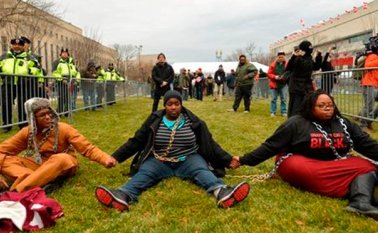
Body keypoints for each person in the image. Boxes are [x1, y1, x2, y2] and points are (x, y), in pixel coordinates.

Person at [231, 89, 378, 219]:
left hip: (335, 164)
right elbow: (270, 146)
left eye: (330, 105)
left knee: (367, 165)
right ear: (310, 107)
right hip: (304, 163)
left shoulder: (344, 123)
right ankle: (351, 186)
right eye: (321, 106)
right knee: (297, 166)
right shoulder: (295, 123)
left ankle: (361, 202)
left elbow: (366, 144)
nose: (327, 109)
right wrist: (243, 160)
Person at [95, 90, 250, 212]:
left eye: (177, 103)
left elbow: (210, 143)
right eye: (170, 104)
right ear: (165, 105)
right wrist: (115, 157)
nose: (173, 107)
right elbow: (136, 140)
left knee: (202, 171)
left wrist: (228, 160)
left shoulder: (193, 121)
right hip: (158, 159)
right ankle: (123, 195)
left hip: (189, 158)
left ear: (181, 105)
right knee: (144, 173)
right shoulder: (154, 120)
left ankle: (221, 193)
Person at [0, 97, 116, 193]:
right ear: (33, 119)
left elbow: (87, 148)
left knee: (61, 158)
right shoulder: (28, 132)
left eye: (49, 113)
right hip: (40, 163)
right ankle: (40, 180)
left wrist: (105, 158)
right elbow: (2, 150)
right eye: (42, 115)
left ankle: (16, 192)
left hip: (63, 163)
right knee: (6, 159)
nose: (48, 117)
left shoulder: (63, 128)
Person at [0, 37, 42, 132]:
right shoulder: (4, 56)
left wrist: (29, 71)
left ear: (23, 46)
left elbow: (37, 68)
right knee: (6, 104)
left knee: (23, 104)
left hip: (23, 83)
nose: (17, 46)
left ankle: (22, 124)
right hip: (8, 83)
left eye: (19, 45)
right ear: (11, 45)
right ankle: (6, 125)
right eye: (14, 44)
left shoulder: (29, 57)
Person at [286, 40, 321, 117]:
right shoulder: (297, 57)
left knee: (307, 105)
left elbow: (316, 67)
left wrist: (318, 56)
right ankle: (294, 123)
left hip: (306, 86)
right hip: (296, 86)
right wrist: (295, 56)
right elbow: (289, 67)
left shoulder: (309, 58)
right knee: (295, 107)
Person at [52, 48, 80, 115]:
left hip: (71, 81)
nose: (64, 54)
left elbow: (77, 72)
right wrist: (61, 79)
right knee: (61, 97)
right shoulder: (57, 62)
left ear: (68, 54)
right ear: (60, 54)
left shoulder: (72, 63)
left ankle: (67, 112)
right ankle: (59, 112)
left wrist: (77, 80)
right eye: (63, 53)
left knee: (69, 97)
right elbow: (55, 72)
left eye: (66, 53)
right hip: (61, 81)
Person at [358, 40, 378, 130]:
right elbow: (368, 66)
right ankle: (363, 125)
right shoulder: (372, 56)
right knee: (368, 106)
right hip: (369, 84)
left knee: (368, 106)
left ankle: (369, 120)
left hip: (375, 84)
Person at [267, 51, 288, 117]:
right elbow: (269, 74)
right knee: (273, 99)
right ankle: (273, 112)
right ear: (277, 57)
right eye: (279, 57)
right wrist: (275, 77)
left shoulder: (287, 64)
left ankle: (284, 111)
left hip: (284, 84)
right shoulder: (273, 64)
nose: (281, 58)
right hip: (274, 84)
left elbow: (289, 72)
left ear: (284, 57)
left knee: (284, 99)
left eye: (282, 57)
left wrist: (284, 77)